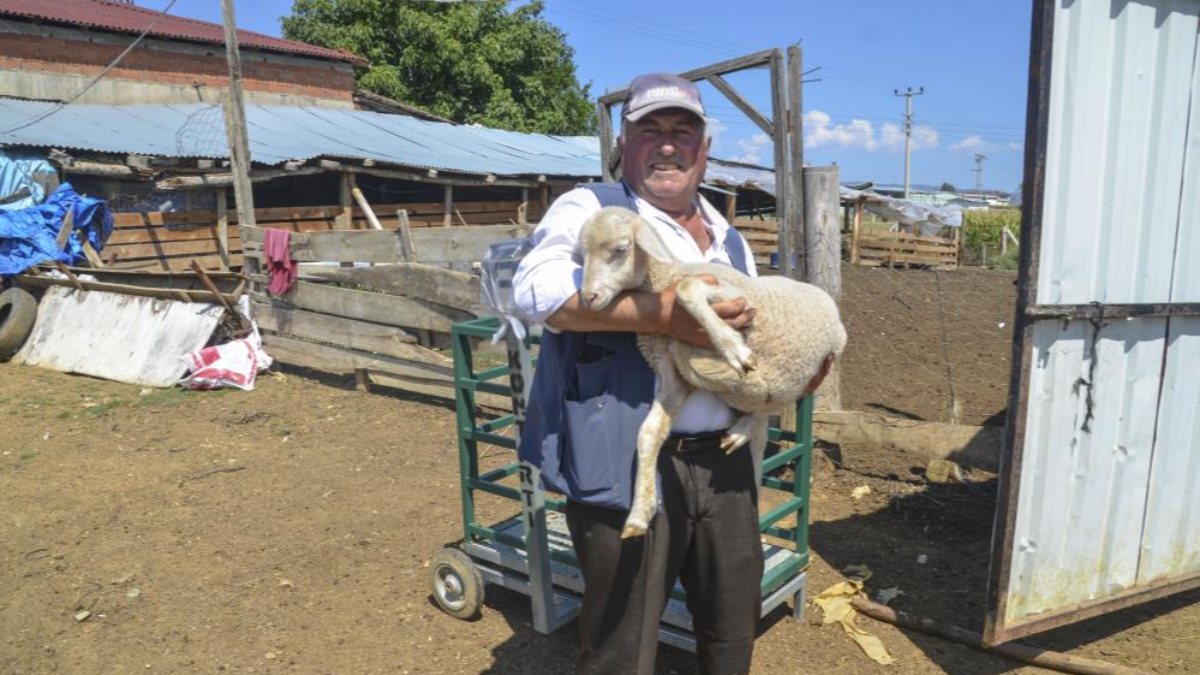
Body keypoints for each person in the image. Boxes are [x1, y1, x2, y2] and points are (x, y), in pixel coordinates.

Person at [513, 73, 824, 675]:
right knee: (621, 645)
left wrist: (798, 371)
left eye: (682, 132)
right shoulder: (593, 209)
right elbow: (535, 291)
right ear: (623, 145)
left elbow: (757, 336)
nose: (666, 145)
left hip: (728, 465)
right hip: (628, 464)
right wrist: (666, 317)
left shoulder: (730, 239)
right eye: (649, 130)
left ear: (704, 150)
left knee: (732, 626)